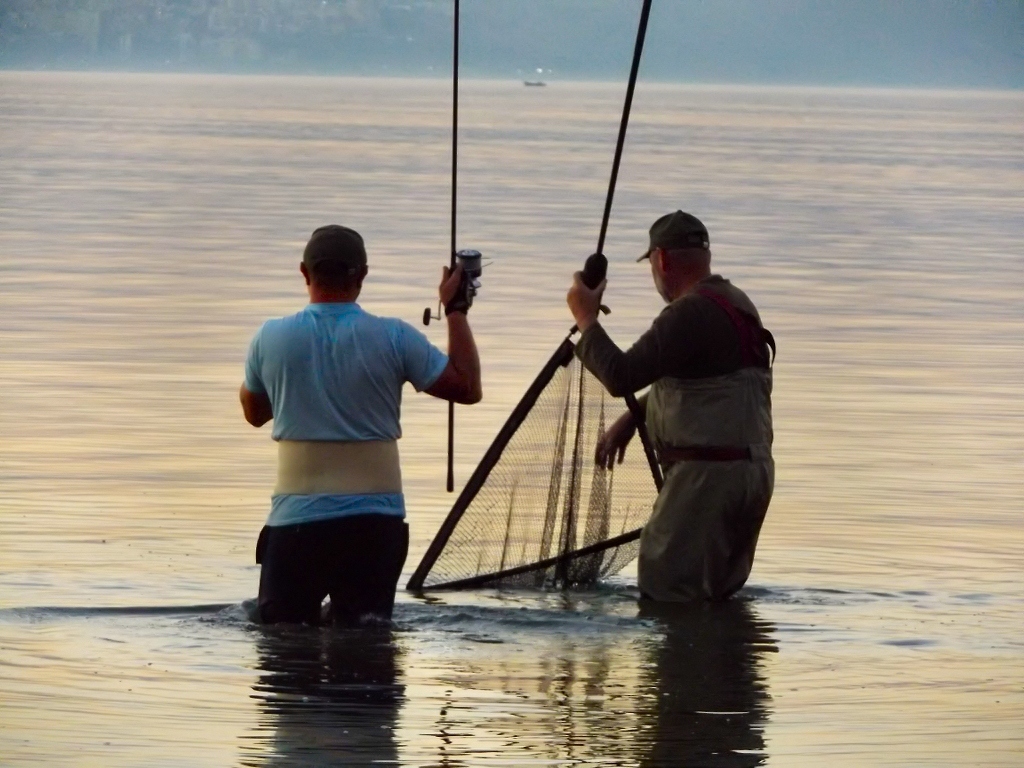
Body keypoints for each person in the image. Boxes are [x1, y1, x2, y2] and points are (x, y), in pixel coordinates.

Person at [240, 224, 481, 624]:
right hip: (375, 526)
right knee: (368, 654)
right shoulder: (394, 337)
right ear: (362, 276)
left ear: (304, 273)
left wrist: (294, 386)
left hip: (297, 526)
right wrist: (455, 311)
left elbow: (253, 414)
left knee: (283, 654)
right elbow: (468, 387)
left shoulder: (270, 337)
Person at [566, 210, 774, 602]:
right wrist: (636, 414)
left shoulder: (688, 313)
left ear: (661, 259)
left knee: (667, 593)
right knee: (711, 602)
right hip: (751, 476)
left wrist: (586, 319)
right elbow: (712, 386)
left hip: (705, 482)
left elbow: (621, 375)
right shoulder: (736, 302)